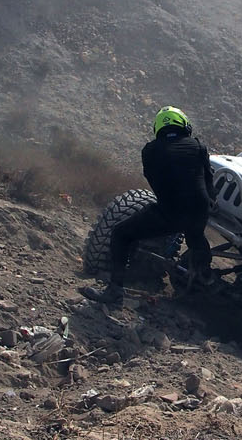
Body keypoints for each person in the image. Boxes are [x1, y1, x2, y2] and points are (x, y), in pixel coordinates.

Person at [79, 106, 214, 307]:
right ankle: (204, 277)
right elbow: (208, 181)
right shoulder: (198, 147)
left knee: (121, 234)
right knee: (196, 236)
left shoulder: (149, 151)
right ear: (184, 125)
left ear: (158, 127)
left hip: (170, 212)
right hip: (199, 211)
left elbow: (155, 182)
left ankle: (114, 291)